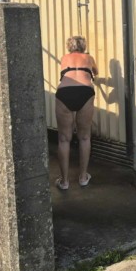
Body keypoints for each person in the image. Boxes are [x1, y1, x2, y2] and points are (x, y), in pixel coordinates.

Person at [55, 35, 98, 190]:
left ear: (69, 47)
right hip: (85, 91)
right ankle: (83, 177)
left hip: (65, 92)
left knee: (64, 139)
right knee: (85, 137)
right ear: (84, 47)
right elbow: (95, 72)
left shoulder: (64, 58)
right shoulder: (89, 57)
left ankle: (64, 181)